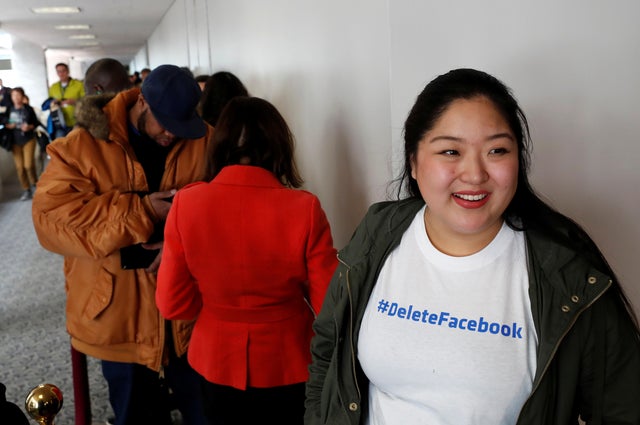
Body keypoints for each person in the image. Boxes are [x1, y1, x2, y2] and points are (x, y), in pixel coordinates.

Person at [305, 68, 640, 425]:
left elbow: (623, 409)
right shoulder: (378, 233)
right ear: (414, 163)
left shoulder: (568, 275)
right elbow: (329, 351)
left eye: (497, 150)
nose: (475, 174)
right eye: (450, 151)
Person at [32, 64, 213, 425]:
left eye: (181, 125)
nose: (171, 134)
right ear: (141, 100)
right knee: (135, 416)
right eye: (164, 123)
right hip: (118, 317)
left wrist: (182, 246)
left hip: (191, 315)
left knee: (205, 414)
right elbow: (51, 222)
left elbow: (228, 209)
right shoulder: (80, 148)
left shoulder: (204, 138)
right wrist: (141, 211)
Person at [156, 96, 338, 425]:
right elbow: (329, 306)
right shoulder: (304, 208)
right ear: (280, 145)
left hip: (214, 356)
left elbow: (172, 304)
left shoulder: (186, 204)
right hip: (288, 358)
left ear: (219, 144)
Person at [3, 87, 40, 200]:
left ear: (23, 96)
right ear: (11, 97)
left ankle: (35, 185)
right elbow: (3, 121)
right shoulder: (9, 109)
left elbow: (36, 122)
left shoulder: (28, 109)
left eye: (19, 95)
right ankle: (26, 189)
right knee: (20, 167)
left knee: (28, 165)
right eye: (14, 95)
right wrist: (7, 124)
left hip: (28, 139)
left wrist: (29, 127)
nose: (16, 98)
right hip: (14, 141)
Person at [43, 62, 85, 139]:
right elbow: (50, 102)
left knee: (75, 144)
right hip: (59, 122)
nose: (61, 73)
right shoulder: (54, 87)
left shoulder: (78, 85)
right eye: (59, 71)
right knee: (60, 145)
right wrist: (53, 103)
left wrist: (75, 102)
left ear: (68, 71)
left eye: (63, 71)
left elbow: (86, 100)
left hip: (75, 121)